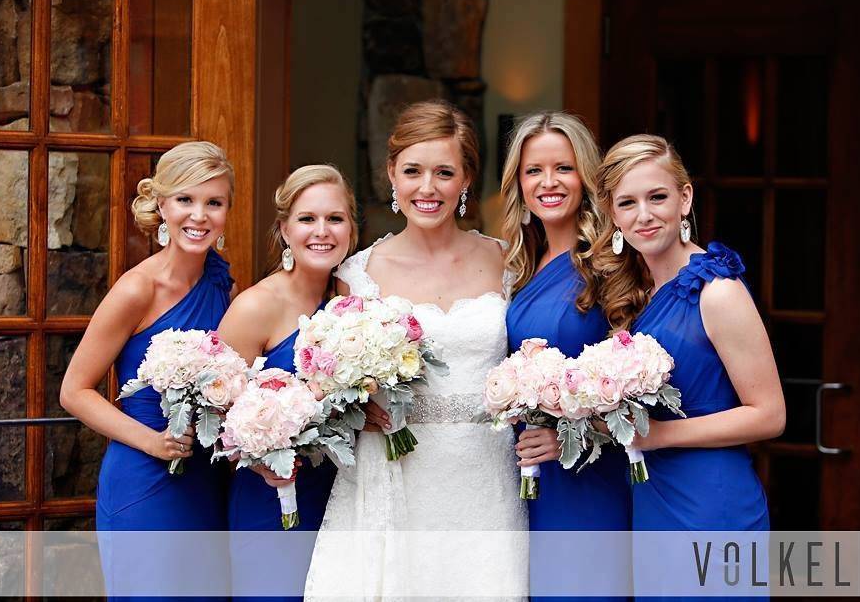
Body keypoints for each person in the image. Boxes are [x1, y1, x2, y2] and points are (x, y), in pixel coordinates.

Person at [304, 100, 528, 600]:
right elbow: (327, 383)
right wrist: (356, 410)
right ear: (391, 174)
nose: (427, 188)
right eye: (413, 171)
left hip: (485, 475)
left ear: (467, 178)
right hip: (395, 471)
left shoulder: (506, 261)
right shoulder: (357, 274)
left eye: (444, 172)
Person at [586, 134, 785, 598]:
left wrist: (659, 437)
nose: (645, 215)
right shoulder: (639, 293)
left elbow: (770, 414)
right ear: (613, 215)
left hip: (711, 503)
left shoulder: (717, 291)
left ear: (685, 198)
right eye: (628, 203)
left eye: (658, 197)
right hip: (655, 498)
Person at [60, 141, 236, 598]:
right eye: (186, 200)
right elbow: (74, 391)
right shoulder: (136, 289)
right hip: (144, 477)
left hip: (204, 479)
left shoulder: (222, 282)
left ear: (226, 212)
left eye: (213, 203)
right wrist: (152, 443)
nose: (199, 216)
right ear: (162, 205)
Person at [502, 112, 632, 600]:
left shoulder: (613, 264)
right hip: (525, 479)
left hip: (586, 475)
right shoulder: (517, 265)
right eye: (534, 170)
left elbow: (641, 376)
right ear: (518, 181)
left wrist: (578, 435)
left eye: (564, 167)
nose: (548, 182)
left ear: (587, 177)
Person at [217, 165, 358, 598]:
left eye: (335, 219)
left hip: (343, 498)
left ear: (352, 228)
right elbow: (214, 411)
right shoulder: (255, 306)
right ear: (283, 230)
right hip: (271, 495)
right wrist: (258, 457)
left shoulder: (353, 302)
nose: (322, 231)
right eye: (307, 219)